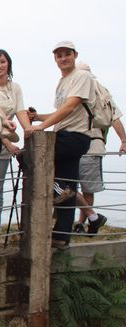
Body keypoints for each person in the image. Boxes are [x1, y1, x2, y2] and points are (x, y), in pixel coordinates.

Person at [25, 41, 95, 249]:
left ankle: (57, 188)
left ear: (75, 55)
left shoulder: (81, 76)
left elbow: (71, 107)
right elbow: (61, 112)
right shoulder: (63, 82)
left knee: (29, 156)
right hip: (66, 133)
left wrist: (41, 126)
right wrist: (38, 117)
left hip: (75, 136)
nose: (63, 58)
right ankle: (62, 236)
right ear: (55, 59)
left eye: (67, 54)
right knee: (70, 187)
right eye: (59, 55)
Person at [0, 49, 31, 242]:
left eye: (2, 61)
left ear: (8, 63)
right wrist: (7, 142)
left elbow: (20, 112)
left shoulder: (15, 88)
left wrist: (30, 131)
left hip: (5, 146)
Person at [72, 61, 126, 235]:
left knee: (68, 186)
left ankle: (84, 221)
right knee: (86, 188)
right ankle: (87, 221)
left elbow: (114, 118)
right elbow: (115, 118)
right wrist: (123, 141)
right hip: (94, 146)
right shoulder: (103, 93)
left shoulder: (82, 90)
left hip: (80, 145)